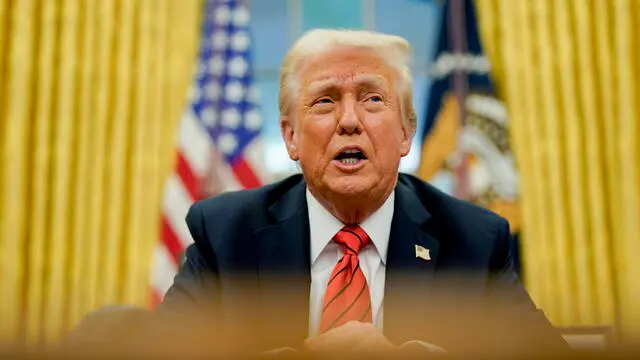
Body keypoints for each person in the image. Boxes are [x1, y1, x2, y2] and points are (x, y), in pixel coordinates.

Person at [157, 29, 568, 356]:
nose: (350, 120)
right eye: (324, 101)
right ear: (290, 137)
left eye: (373, 98)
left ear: (407, 133)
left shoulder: (472, 240)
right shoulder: (228, 234)